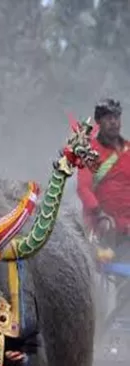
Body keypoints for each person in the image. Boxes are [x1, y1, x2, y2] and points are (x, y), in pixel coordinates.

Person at [77, 98, 130, 252]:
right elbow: (83, 188)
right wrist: (99, 215)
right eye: (108, 118)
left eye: (116, 117)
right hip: (103, 226)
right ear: (99, 122)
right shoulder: (91, 151)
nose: (113, 122)